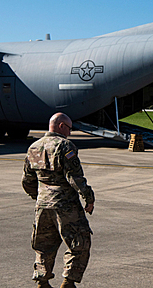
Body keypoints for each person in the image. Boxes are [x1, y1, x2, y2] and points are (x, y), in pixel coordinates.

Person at [22, 113, 95, 288]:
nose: (69, 133)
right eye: (69, 128)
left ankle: (42, 281)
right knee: (80, 242)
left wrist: (39, 197)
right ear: (61, 126)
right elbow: (74, 177)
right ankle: (68, 282)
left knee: (43, 245)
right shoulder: (65, 146)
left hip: (42, 205)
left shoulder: (34, 147)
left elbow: (27, 180)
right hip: (65, 206)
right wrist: (88, 197)